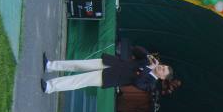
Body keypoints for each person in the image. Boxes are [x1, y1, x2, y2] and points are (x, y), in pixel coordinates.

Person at [40, 45, 173, 94]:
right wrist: (148, 56)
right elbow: (136, 49)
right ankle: (50, 65)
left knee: (79, 81)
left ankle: (50, 87)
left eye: (163, 70)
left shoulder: (151, 84)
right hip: (111, 63)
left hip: (110, 77)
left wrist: (148, 69)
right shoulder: (148, 61)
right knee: (78, 64)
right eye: (163, 66)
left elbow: (137, 83)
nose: (161, 67)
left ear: (162, 78)